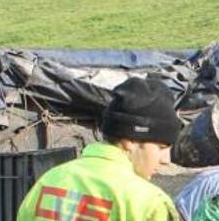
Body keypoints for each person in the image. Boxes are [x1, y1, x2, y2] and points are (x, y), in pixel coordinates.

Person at [17, 77, 183, 220]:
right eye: (161, 147)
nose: (166, 160)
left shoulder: (49, 181)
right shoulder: (148, 202)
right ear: (130, 141)